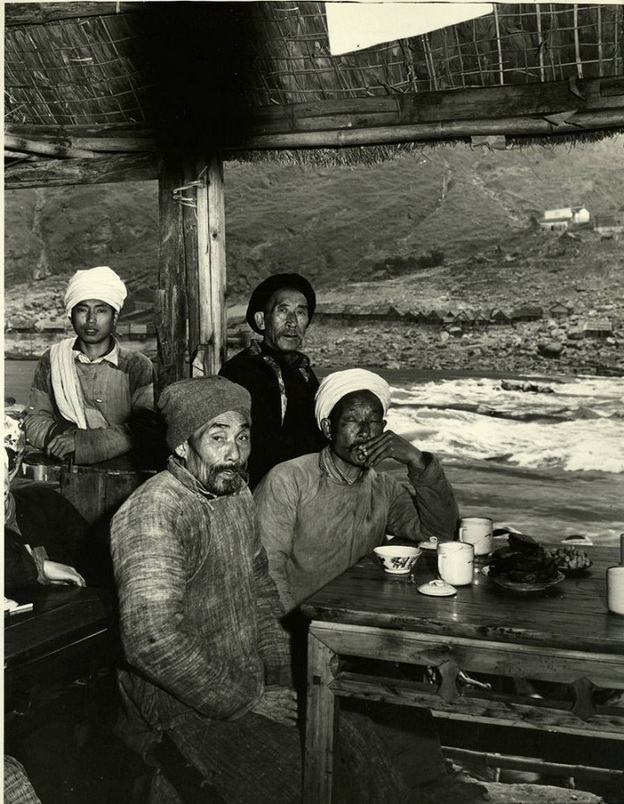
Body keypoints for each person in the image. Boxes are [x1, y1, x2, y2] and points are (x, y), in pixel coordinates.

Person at [110, 376, 445, 804]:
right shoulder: (153, 512)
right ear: (181, 446)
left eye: (243, 436)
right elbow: (151, 642)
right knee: (303, 778)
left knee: (356, 737)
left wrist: (282, 680)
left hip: (245, 678)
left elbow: (262, 592)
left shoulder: (233, 495)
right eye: (218, 437)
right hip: (177, 703)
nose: (234, 452)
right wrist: (248, 699)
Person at [255, 368, 459, 613]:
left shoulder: (384, 488)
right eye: (352, 420)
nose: (365, 431)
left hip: (360, 616)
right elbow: (266, 572)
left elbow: (439, 534)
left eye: (374, 421)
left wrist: (418, 461)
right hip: (301, 621)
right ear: (329, 428)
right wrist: (296, 632)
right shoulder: (289, 479)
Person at [24, 266, 156, 466]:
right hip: (65, 467)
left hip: (123, 472)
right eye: (82, 309)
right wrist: (61, 438)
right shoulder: (53, 359)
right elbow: (34, 420)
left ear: (115, 317)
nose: (91, 319)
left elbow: (146, 427)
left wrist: (83, 443)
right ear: (71, 316)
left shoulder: (136, 366)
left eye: (101, 310)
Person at [219, 272, 326, 487]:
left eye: (301, 313)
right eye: (283, 310)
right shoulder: (240, 371)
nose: (292, 322)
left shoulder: (302, 370)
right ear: (261, 320)